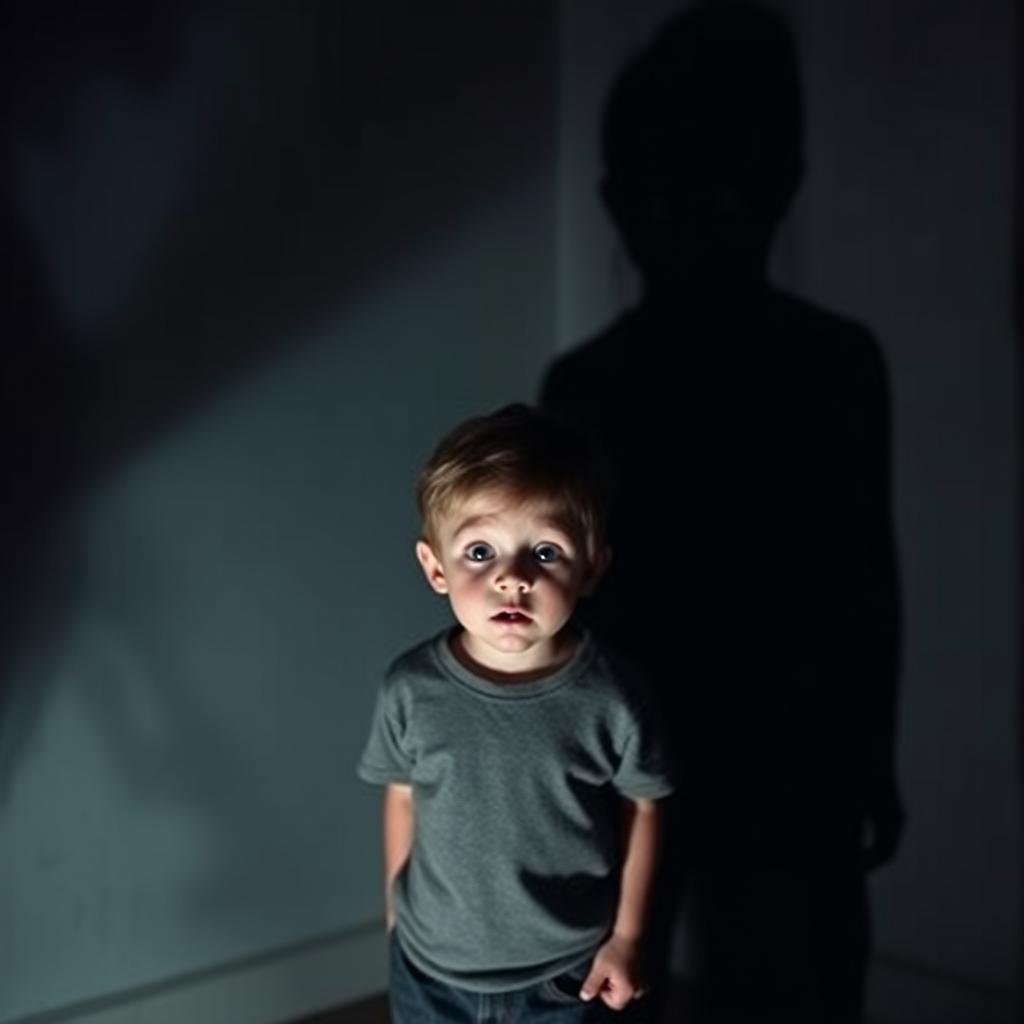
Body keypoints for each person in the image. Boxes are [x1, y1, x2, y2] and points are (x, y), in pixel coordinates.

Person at [541, 4, 904, 1023]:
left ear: (777, 187)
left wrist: (870, 753)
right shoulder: (593, 385)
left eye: (722, 192)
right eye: (669, 197)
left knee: (782, 973)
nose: (695, 222)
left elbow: (865, 573)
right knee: (632, 974)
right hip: (675, 740)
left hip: (782, 746)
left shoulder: (828, 368)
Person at [358, 404, 674, 1022]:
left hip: (565, 974)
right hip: (429, 970)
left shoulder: (612, 696)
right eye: (479, 551)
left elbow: (645, 805)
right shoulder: (411, 687)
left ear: (591, 568)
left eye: (546, 552)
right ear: (435, 568)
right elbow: (401, 795)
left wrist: (629, 939)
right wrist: (396, 917)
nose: (512, 578)